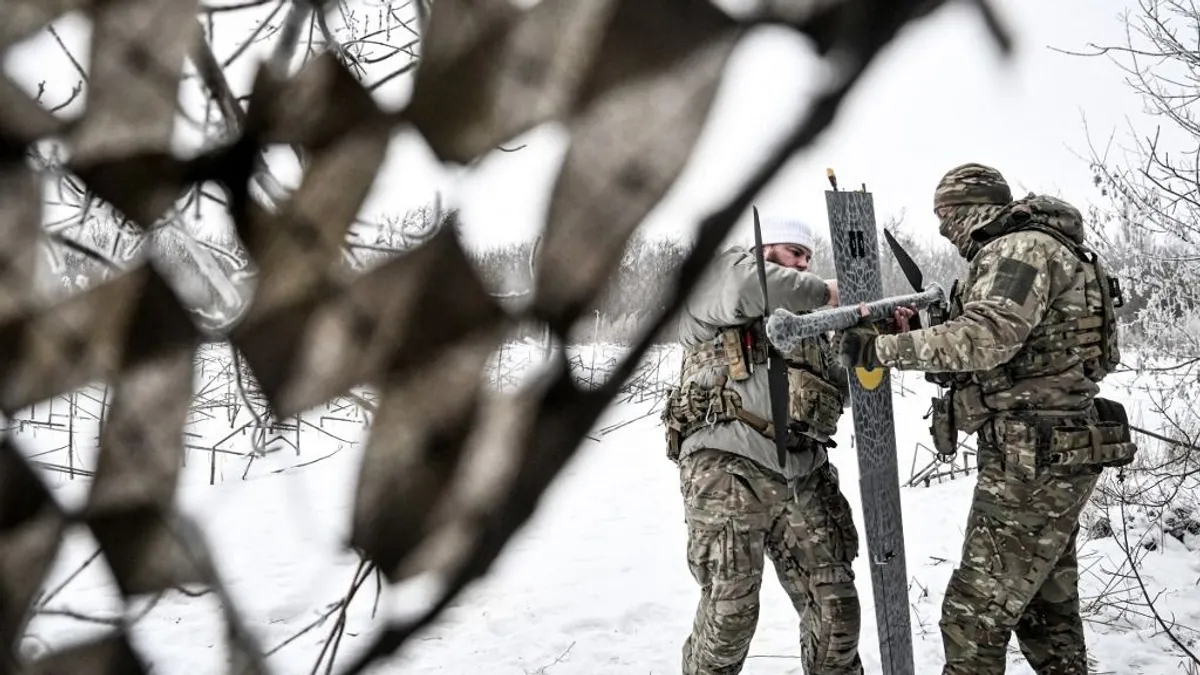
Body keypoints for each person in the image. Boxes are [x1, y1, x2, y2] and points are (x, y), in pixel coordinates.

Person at [838, 162, 1136, 675]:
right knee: (1045, 611)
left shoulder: (1020, 249)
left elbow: (987, 338)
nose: (943, 231)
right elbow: (1015, 352)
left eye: (944, 217)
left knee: (972, 618)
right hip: (1050, 449)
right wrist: (922, 335)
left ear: (966, 209)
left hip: (1034, 459)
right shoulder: (1042, 247)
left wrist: (880, 349)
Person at [662, 214, 866, 675]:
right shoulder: (721, 276)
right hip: (729, 466)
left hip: (803, 472)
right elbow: (747, 288)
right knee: (730, 615)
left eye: (809, 257)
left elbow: (844, 388)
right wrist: (830, 293)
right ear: (764, 249)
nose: (805, 264)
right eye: (796, 253)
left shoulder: (809, 324)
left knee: (836, 613)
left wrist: (871, 337)